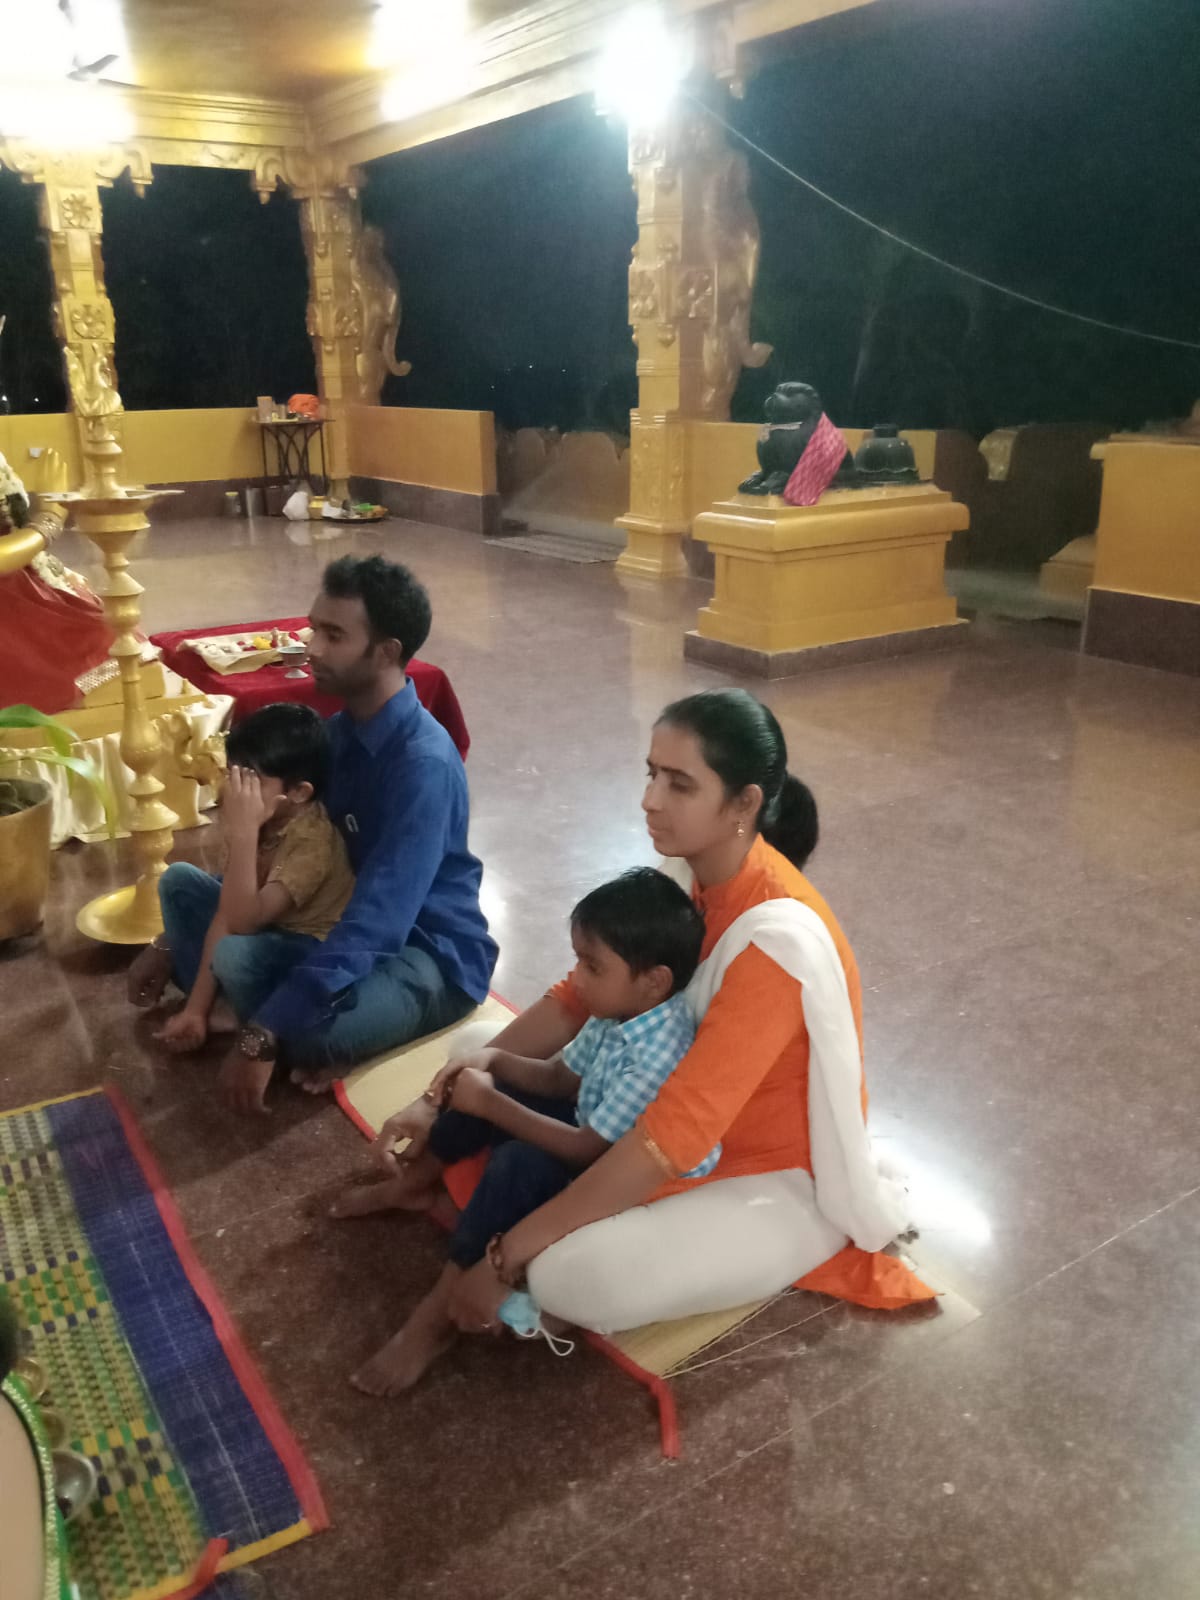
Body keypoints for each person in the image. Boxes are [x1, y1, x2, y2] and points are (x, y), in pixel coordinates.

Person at [380, 687, 932, 1347]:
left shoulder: (776, 943)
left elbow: (673, 1138)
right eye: (652, 774)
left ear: (744, 804)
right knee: (475, 1045)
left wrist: (505, 1257)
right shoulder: (685, 872)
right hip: (654, 1114)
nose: (650, 799)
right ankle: (455, 1180)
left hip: (762, 1172)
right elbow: (578, 996)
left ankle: (547, 1235)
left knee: (566, 1276)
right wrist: (434, 1099)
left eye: (679, 784)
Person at [128, 555, 497, 1114]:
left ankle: (302, 1025)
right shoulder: (339, 733)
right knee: (182, 887)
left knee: (273, 1002)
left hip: (423, 954)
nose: (312, 648)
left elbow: (380, 923)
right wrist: (165, 941)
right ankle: (279, 1013)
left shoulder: (421, 765)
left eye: (334, 635)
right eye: (314, 628)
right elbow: (286, 856)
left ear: (387, 652)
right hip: (325, 923)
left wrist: (263, 1035)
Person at [337, 867, 717, 1395]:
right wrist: (493, 1061)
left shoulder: (657, 1055)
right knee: (488, 1080)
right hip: (588, 1132)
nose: (577, 978)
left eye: (592, 966)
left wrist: (492, 1105)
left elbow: (586, 1152)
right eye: (578, 960)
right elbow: (560, 1078)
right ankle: (414, 1182)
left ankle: (436, 1316)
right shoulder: (619, 1010)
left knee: (518, 1163)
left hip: (615, 1183)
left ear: (654, 981)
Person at [154, 703, 354, 1055]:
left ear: (299, 793)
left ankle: (256, 1019)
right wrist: (195, 1010)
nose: (235, 789)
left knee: (233, 954)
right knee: (178, 880)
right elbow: (226, 915)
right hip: (257, 924)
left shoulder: (314, 841)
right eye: (233, 774)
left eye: (251, 780)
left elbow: (243, 922)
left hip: (305, 946)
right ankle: (214, 1008)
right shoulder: (251, 817)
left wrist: (244, 833)